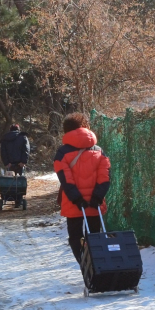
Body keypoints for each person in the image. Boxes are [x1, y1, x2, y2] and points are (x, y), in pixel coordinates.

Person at [54, 113, 111, 264]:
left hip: (74, 203)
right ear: (86, 127)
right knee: (95, 236)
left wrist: (76, 198)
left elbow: (66, 179)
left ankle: (84, 264)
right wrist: (97, 197)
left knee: (75, 236)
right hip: (94, 203)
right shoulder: (99, 151)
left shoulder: (62, 153)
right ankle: (98, 265)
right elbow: (105, 177)